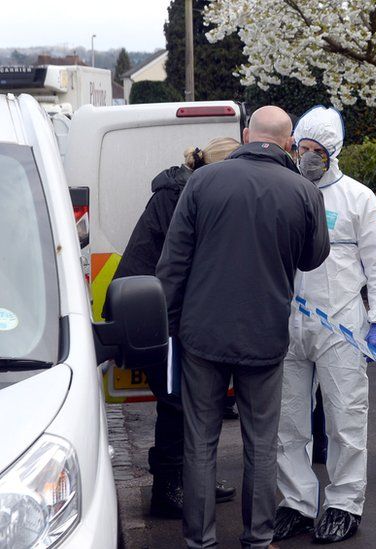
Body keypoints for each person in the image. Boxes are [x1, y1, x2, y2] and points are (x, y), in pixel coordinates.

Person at [156, 105, 330, 549]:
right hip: (265, 334)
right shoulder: (304, 192)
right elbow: (313, 257)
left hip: (202, 334)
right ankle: (257, 538)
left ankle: (200, 540)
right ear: (288, 143)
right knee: (261, 442)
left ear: (247, 133)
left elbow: (173, 264)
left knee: (200, 441)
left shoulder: (202, 182)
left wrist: (168, 328)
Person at [272, 106, 376, 544]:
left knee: (345, 418)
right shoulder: (284, 192)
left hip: (341, 324)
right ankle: (297, 503)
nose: (307, 157)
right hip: (289, 323)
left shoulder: (357, 198)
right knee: (288, 422)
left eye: (315, 150)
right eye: (301, 148)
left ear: (333, 152)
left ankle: (344, 503)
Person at [112, 137, 239, 519]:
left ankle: (191, 478)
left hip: (162, 312)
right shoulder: (180, 198)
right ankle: (167, 489)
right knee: (176, 403)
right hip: (155, 318)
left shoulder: (185, 191)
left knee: (192, 401)